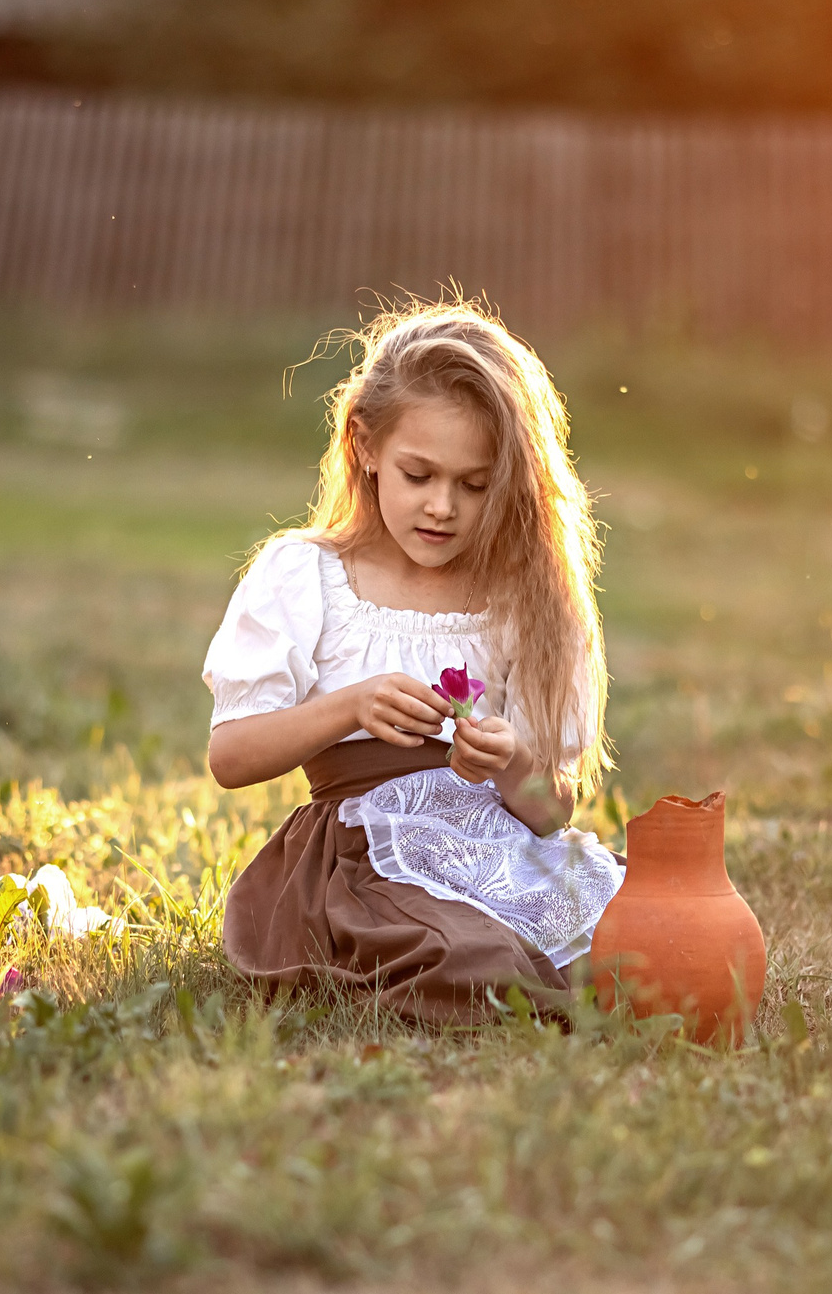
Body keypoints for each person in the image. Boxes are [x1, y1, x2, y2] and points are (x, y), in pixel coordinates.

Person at [202, 300, 624, 1023]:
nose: (442, 507)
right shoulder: (306, 576)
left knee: (646, 929)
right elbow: (231, 757)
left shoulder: (524, 597)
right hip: (364, 859)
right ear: (365, 446)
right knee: (470, 956)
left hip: (490, 845)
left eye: (473, 484)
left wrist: (511, 760)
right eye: (418, 474)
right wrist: (350, 706)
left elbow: (551, 811)